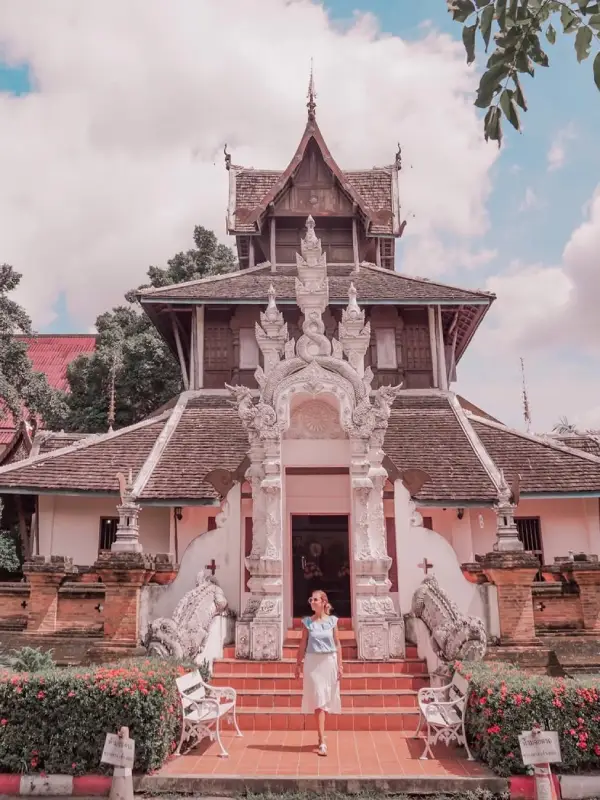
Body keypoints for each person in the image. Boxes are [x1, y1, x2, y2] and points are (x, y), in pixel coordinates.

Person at [294, 589, 342, 756]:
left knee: (326, 698)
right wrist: (297, 664)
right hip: (313, 662)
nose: (312, 602)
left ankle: (321, 733)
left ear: (323, 602)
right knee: (319, 699)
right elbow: (302, 644)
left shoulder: (333, 621)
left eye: (315, 600)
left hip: (329, 662)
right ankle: (322, 740)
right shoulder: (308, 622)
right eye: (311, 599)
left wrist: (340, 665)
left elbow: (337, 644)